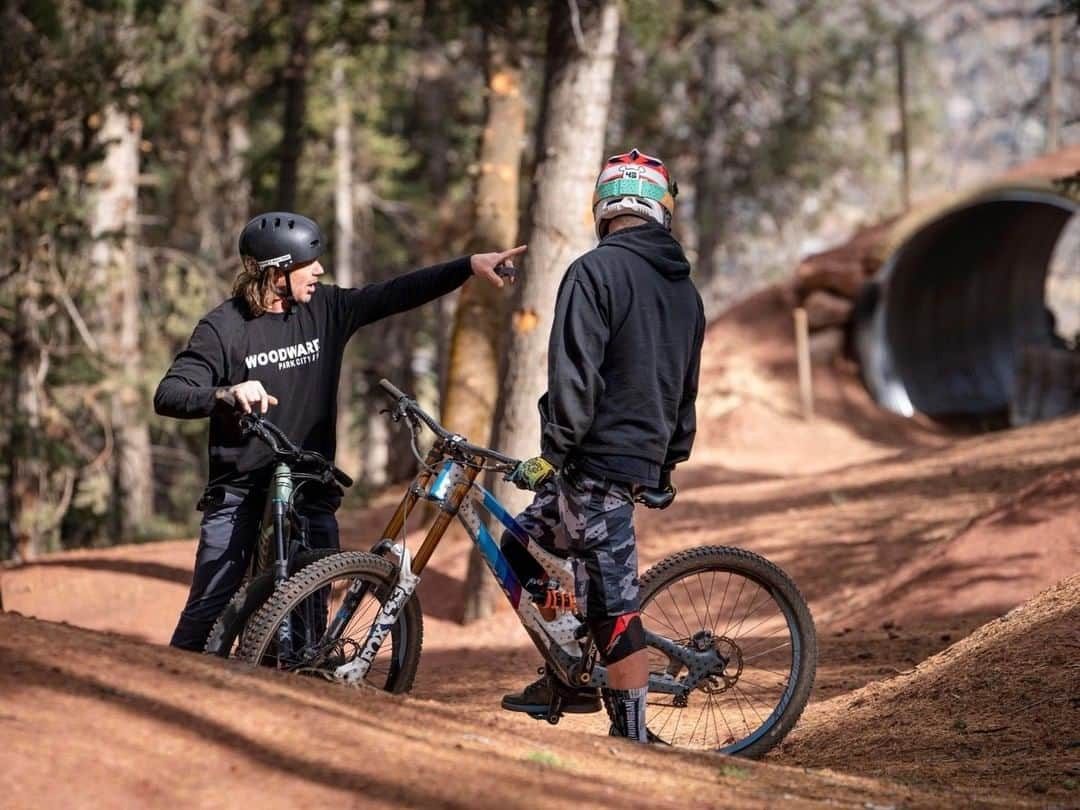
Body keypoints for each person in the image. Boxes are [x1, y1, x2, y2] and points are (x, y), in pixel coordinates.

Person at [155, 211, 523, 651]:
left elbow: (395, 293)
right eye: (309, 263)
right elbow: (170, 393)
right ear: (277, 272)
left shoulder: (326, 308)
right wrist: (225, 394)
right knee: (209, 605)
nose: (320, 271)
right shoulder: (224, 328)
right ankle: (174, 681)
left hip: (309, 485)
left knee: (311, 614)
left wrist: (467, 266)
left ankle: (305, 688)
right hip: (240, 490)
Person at [499, 149, 705, 742]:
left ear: (603, 206)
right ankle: (568, 671)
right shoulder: (687, 294)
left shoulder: (594, 272)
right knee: (517, 546)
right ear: (662, 209)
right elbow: (685, 389)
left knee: (614, 607)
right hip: (628, 459)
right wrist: (668, 463)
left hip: (594, 460)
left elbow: (576, 377)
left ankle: (633, 737)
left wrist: (552, 453)